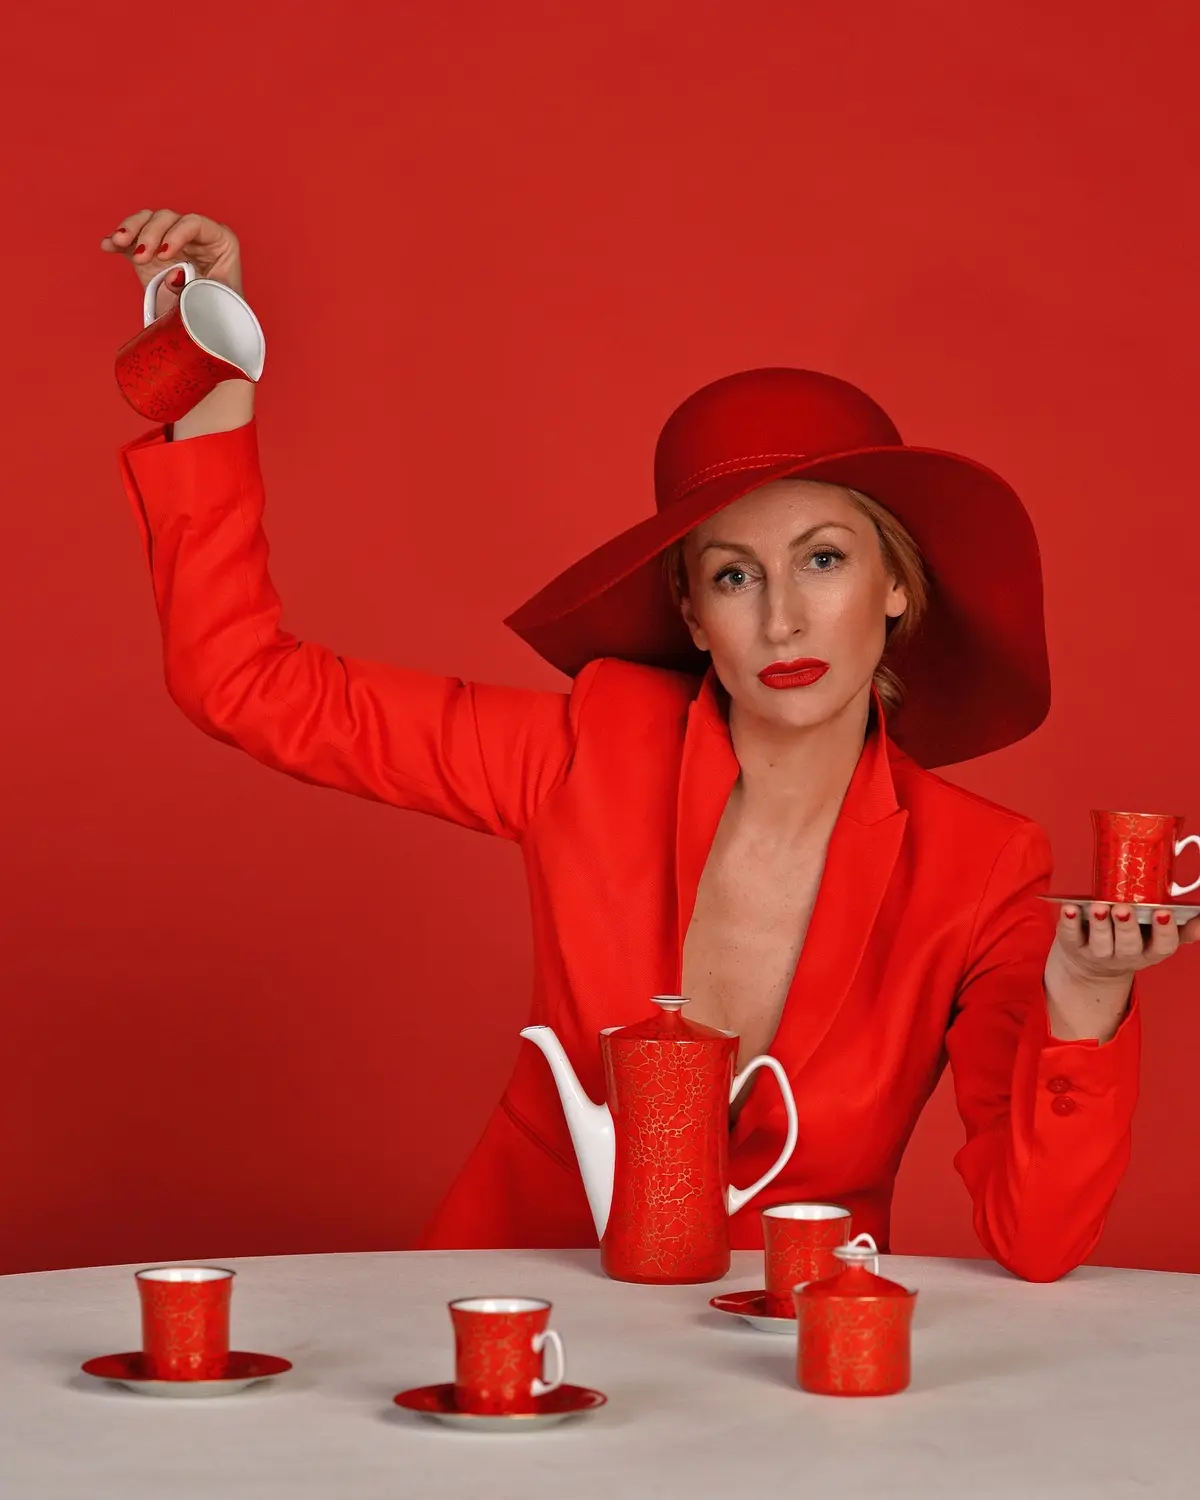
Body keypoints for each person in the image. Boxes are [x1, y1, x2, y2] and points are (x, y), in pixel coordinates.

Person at [101, 207, 1198, 1283]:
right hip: (522, 1318)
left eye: (823, 560)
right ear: (692, 616)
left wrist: (1085, 997)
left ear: (897, 586)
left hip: (790, 1347)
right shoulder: (591, 747)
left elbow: (1037, 1239)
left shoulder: (983, 870)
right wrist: (214, 378)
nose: (782, 619)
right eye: (735, 575)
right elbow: (241, 682)